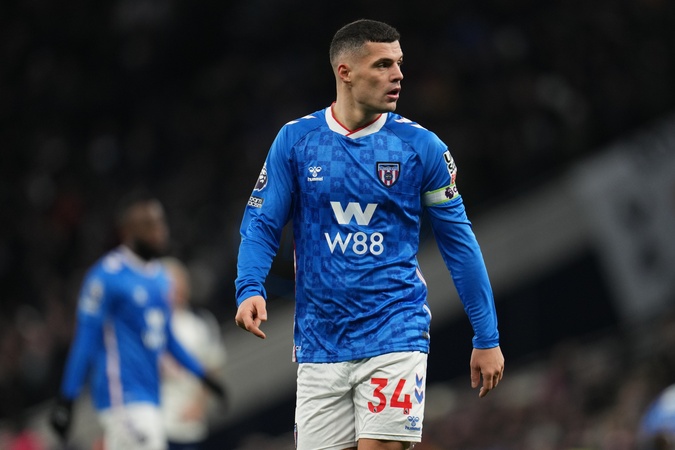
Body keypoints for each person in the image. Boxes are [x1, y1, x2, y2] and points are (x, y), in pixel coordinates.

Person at [234, 19, 504, 450]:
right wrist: (250, 287)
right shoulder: (297, 141)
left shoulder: (421, 148)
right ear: (345, 72)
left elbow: (459, 244)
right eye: (382, 65)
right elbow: (262, 222)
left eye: (399, 63)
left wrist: (486, 336)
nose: (398, 75)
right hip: (319, 345)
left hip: (395, 332)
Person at [49, 192, 225, 450]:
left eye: (160, 224)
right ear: (128, 233)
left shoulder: (160, 279)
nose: (160, 232)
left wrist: (203, 376)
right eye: (150, 226)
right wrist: (67, 398)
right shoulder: (106, 277)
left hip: (150, 396)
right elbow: (85, 341)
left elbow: (167, 340)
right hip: (121, 395)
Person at [160, 257, 227, 450]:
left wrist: (199, 405)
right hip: (156, 422)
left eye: (180, 283)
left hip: (188, 424)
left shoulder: (200, 323)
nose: (177, 290)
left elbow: (213, 367)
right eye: (172, 285)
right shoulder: (149, 325)